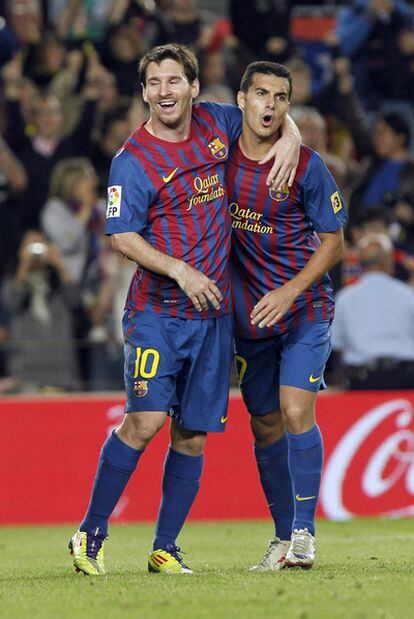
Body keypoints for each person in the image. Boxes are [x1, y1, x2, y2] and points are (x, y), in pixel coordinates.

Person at [69, 43, 300, 576]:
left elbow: (274, 115)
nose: (165, 92)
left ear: (195, 87)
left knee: (192, 434)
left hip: (213, 318)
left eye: (174, 81)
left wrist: (290, 140)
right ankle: (91, 533)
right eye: (155, 83)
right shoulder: (131, 160)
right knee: (145, 420)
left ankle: (165, 548)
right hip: (158, 313)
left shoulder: (219, 120)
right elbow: (122, 235)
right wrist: (180, 269)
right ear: (145, 91)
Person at [227, 61, 347, 570]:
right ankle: (281, 538)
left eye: (280, 97)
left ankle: (304, 535)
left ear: (287, 105)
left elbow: (335, 243)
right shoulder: (218, 152)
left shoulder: (306, 166)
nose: (270, 105)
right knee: (265, 424)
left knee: (297, 411)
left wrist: (290, 289)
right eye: (261, 94)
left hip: (303, 308)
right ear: (241, 100)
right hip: (249, 320)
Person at [332, 232, 414, 389]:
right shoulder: (408, 295)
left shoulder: (345, 298)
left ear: (360, 263)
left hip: (361, 381)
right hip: (405, 380)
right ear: (388, 261)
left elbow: (336, 346)